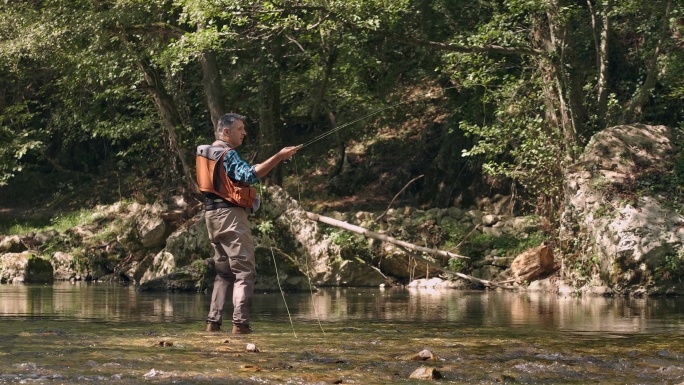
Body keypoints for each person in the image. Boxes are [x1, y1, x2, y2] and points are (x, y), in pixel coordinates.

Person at [197, 113, 301, 334]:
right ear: (226, 132)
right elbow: (250, 175)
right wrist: (279, 157)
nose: (244, 133)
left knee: (224, 273)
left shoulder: (206, 152)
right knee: (244, 272)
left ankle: (213, 324)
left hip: (211, 216)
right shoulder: (228, 154)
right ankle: (240, 326)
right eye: (240, 129)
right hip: (231, 218)